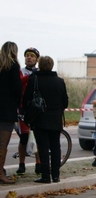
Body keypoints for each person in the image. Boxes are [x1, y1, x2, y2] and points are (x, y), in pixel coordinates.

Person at [23, 55, 68, 183]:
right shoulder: (60, 81)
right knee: (55, 147)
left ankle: (45, 175)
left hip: (39, 119)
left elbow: (27, 99)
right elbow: (65, 101)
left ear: (40, 65)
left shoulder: (34, 79)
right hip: (55, 119)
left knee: (43, 147)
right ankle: (56, 175)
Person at [16, 47, 41, 175]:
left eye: (32, 56)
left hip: (36, 109)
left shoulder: (40, 72)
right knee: (24, 138)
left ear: (37, 59)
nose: (29, 57)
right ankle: (21, 164)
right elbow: (18, 84)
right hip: (23, 108)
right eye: (27, 56)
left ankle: (38, 163)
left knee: (37, 137)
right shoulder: (20, 71)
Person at [0, 41, 22, 184]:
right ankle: (0, 173)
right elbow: (17, 89)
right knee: (2, 143)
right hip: (6, 110)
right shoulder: (13, 66)